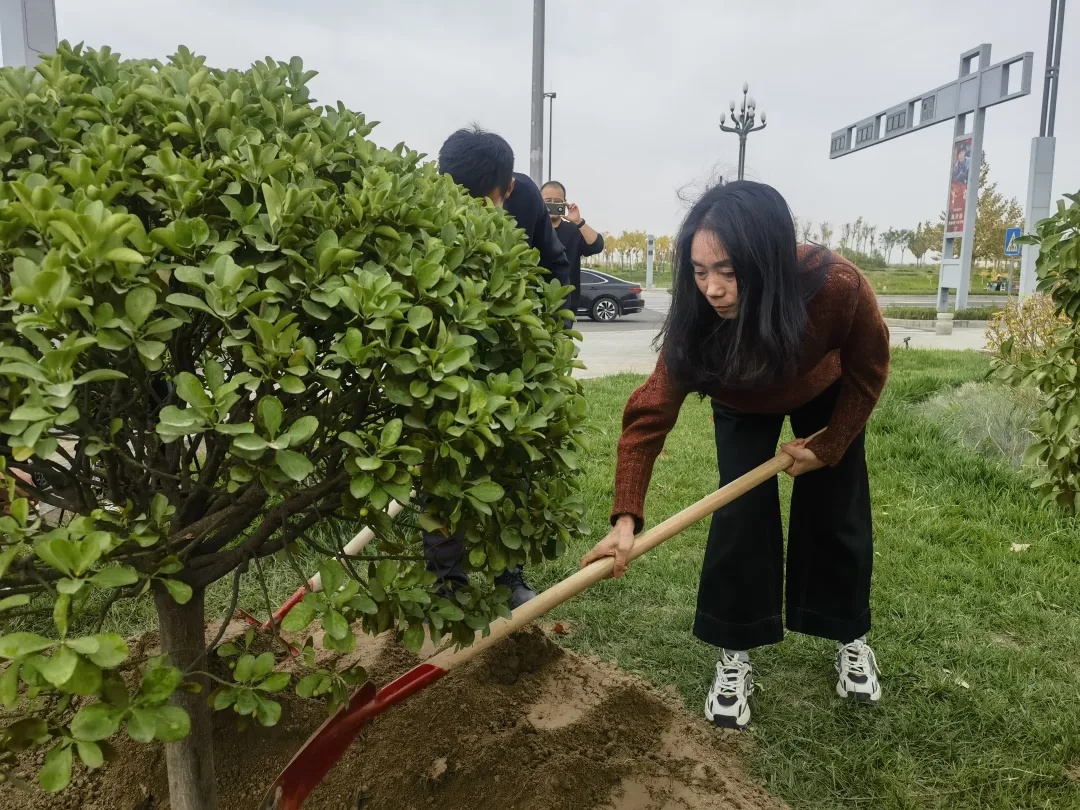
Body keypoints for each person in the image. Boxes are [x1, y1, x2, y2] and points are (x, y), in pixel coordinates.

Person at [580, 180, 891, 730]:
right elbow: (650, 410)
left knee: (836, 508)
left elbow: (868, 368)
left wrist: (832, 442)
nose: (713, 289)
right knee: (740, 515)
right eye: (700, 272)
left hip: (823, 389)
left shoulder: (838, 285)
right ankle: (735, 653)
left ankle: (849, 633)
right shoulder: (699, 317)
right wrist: (626, 514)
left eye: (727, 271)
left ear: (768, 262)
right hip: (739, 397)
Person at [425, 126, 572, 609]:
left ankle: (510, 574)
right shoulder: (429, 202)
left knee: (512, 459)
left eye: (483, 200)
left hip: (512, 356)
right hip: (445, 354)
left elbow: (556, 265)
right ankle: (450, 583)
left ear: (507, 189)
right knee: (442, 466)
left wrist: (550, 335)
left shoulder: (525, 196)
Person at [541, 181, 605, 317]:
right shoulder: (533, 228)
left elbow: (597, 245)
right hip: (536, 304)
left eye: (557, 201)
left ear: (564, 203)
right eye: (548, 201)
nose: (553, 204)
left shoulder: (573, 230)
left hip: (565, 307)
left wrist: (578, 221)